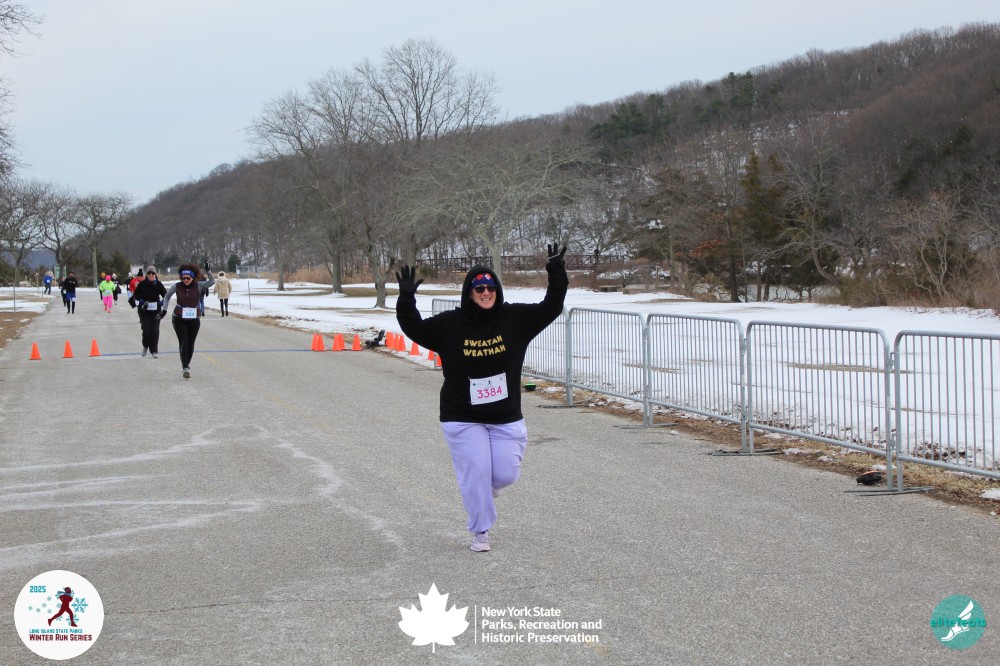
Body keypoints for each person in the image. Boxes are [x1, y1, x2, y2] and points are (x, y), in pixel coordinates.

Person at [395, 242, 568, 553]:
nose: (486, 293)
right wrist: (406, 299)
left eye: (490, 288)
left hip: (505, 416)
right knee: (475, 472)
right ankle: (481, 531)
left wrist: (556, 271)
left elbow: (551, 306)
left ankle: (486, 490)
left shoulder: (515, 319)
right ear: (469, 293)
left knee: (505, 474)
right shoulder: (450, 324)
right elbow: (415, 329)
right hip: (462, 415)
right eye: (479, 289)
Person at [160, 263, 215, 379]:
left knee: (191, 343)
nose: (185, 280)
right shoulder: (177, 286)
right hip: (179, 318)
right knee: (184, 341)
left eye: (188, 278)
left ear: (192, 278)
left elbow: (211, 282)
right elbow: (167, 296)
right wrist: (164, 310)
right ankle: (185, 366)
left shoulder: (198, 285)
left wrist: (208, 271)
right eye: (183, 278)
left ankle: (187, 363)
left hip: (194, 318)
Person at [129, 266, 166, 358]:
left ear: (155, 274)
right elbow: (136, 294)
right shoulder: (142, 284)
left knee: (155, 331)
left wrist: (162, 302)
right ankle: (145, 345)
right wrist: (141, 300)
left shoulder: (159, 284)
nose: (151, 275)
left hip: (156, 310)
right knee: (146, 331)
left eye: (152, 273)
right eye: (149, 273)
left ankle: (154, 351)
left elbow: (166, 296)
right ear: (147, 275)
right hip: (144, 310)